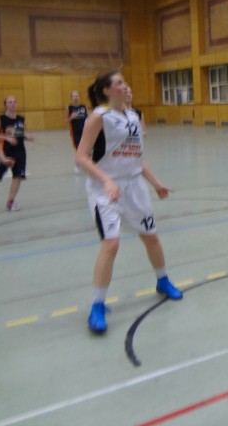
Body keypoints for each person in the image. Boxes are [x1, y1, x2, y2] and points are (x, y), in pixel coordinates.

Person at [76, 72, 182, 334]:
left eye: (125, 82)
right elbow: (81, 157)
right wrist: (106, 180)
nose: (125, 86)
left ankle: (163, 280)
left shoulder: (134, 117)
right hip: (105, 190)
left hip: (134, 187)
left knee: (151, 237)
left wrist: (156, 183)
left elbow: (137, 159)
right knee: (111, 244)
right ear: (106, 90)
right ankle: (97, 306)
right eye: (120, 83)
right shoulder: (99, 117)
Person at [0, 96, 34, 211]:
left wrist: (27, 136)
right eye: (10, 102)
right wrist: (7, 138)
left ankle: (10, 202)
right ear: (5, 105)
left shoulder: (21, 119)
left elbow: (23, 132)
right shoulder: (0, 119)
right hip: (6, 151)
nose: (13, 104)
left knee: (18, 176)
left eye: (14, 102)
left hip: (20, 152)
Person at [66, 91, 88, 171]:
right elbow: (66, 120)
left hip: (85, 131)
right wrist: (71, 117)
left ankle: (87, 164)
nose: (76, 97)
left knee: (87, 149)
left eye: (77, 96)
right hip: (75, 132)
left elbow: (88, 116)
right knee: (79, 149)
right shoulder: (69, 108)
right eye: (74, 96)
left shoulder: (83, 106)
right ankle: (77, 165)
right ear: (71, 98)